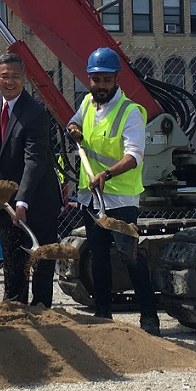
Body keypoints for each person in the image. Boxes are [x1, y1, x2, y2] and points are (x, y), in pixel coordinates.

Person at [66, 47, 160, 336]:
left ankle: (149, 319)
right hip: (91, 196)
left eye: (106, 80)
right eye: (96, 80)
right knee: (98, 254)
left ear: (117, 79)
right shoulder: (87, 103)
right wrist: (73, 128)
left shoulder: (131, 112)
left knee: (130, 254)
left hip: (120, 198)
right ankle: (102, 314)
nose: (101, 86)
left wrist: (107, 173)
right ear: (89, 80)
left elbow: (134, 156)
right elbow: (75, 122)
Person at [0, 53, 61, 308]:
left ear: (24, 79)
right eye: (5, 76)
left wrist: (23, 202)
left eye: (16, 77)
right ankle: (14, 305)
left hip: (38, 199)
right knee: (12, 255)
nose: (10, 82)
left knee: (41, 257)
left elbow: (34, 161)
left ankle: (41, 307)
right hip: (5, 198)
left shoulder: (35, 114)